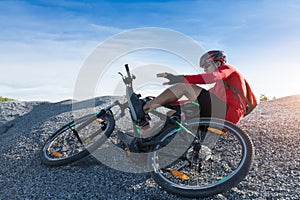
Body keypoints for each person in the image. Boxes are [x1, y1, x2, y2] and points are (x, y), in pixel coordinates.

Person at [129, 50, 248, 126]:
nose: (205, 69)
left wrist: (180, 78)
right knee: (172, 114)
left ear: (217, 63)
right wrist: (162, 101)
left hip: (227, 115)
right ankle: (147, 141)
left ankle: (144, 108)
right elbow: (192, 101)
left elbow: (213, 76)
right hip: (220, 116)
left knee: (184, 86)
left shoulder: (229, 69)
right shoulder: (218, 89)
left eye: (206, 66)